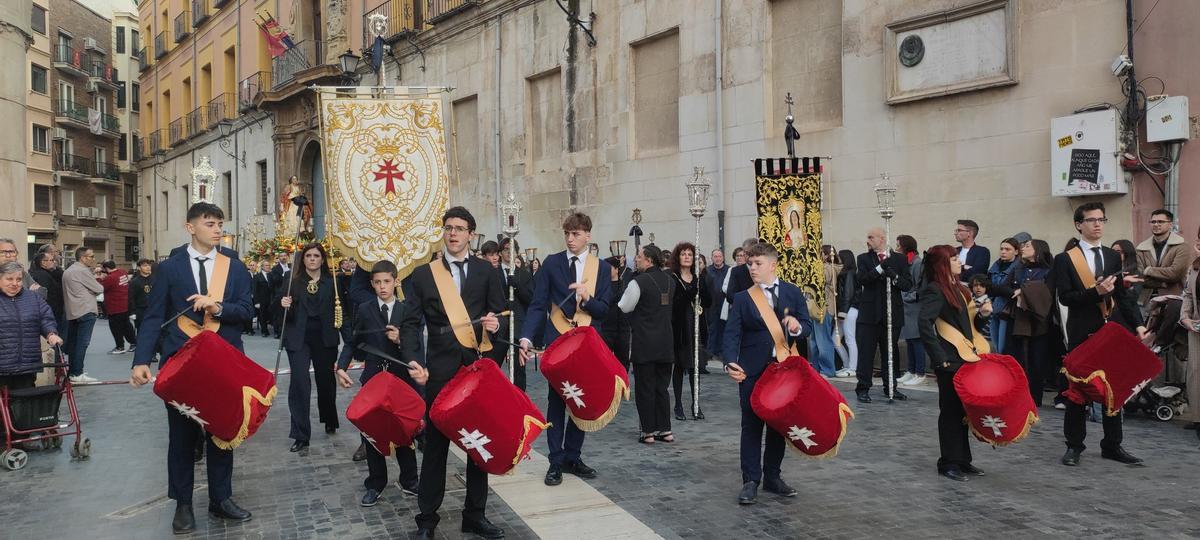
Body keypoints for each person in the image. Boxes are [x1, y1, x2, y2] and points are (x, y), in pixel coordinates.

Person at [129, 202, 255, 534]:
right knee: (182, 437)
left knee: (222, 432)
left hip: (222, 361)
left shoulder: (235, 267)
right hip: (182, 364)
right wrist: (142, 360)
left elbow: (246, 312)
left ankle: (221, 498)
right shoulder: (170, 268)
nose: (217, 230)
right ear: (191, 228)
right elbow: (154, 317)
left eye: (220, 224)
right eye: (210, 224)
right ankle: (183, 504)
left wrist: (219, 306)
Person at [406, 206, 505, 539]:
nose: (453, 233)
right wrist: (413, 360)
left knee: (478, 445)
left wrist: (496, 324)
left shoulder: (487, 272)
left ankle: (474, 515)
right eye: (448, 227)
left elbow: (500, 315)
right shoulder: (424, 274)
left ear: (471, 235)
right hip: (438, 371)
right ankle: (427, 519)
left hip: (476, 370)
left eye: (460, 228)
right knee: (435, 447)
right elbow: (409, 324)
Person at [518, 212, 612, 488]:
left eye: (576, 234)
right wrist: (526, 337)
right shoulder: (552, 263)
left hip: (586, 344)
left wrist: (587, 299)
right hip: (557, 340)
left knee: (580, 400)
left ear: (588, 236)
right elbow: (537, 305)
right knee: (557, 400)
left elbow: (605, 310)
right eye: (567, 234)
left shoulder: (601, 268)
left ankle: (573, 455)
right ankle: (555, 461)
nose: (571, 239)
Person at [1054, 202, 1147, 467]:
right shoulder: (1066, 258)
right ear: (1078, 224)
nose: (1098, 224)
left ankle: (1112, 445)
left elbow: (1123, 297)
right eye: (1092, 220)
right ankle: (1074, 446)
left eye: (1101, 219)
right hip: (1081, 331)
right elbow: (1066, 297)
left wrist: (1138, 324)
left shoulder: (1111, 256)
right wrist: (1097, 292)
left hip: (1110, 331)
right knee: (1077, 391)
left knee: (1113, 389)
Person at [722, 242, 812, 505]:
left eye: (757, 264)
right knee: (750, 424)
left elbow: (806, 325)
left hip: (783, 370)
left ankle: (773, 477)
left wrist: (797, 327)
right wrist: (730, 361)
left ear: (773, 265)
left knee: (777, 426)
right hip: (751, 370)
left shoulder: (792, 292)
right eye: (750, 264)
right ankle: (750, 480)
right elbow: (732, 334)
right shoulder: (743, 297)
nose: (752, 268)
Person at [336, 260, 428, 507]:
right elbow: (353, 341)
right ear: (371, 284)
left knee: (404, 430)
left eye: (387, 281)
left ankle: (410, 480)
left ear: (396, 282)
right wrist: (341, 366)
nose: (382, 287)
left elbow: (417, 345)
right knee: (372, 432)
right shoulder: (365, 309)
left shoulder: (407, 309)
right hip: (374, 380)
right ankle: (376, 483)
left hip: (400, 380)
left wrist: (401, 340)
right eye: (377, 282)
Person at [916, 245, 987, 482]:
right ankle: (948, 462)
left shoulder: (958, 288)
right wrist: (939, 358)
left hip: (964, 356)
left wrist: (984, 314)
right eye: (954, 259)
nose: (959, 262)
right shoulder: (935, 290)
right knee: (950, 412)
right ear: (943, 264)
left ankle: (962, 460)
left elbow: (966, 324)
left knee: (963, 411)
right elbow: (924, 324)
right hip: (949, 360)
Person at [279, 243, 342, 454]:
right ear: (303, 259)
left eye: (316, 255)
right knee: (299, 382)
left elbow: (343, 312)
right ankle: (300, 434)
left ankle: (329, 418)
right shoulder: (292, 282)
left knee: (325, 380)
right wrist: (282, 305)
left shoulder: (331, 282)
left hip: (325, 339)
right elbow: (274, 313)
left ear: (322, 260)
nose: (312, 259)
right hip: (299, 339)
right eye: (308, 255)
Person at [0, 261, 63, 446]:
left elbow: (45, 318)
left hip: (26, 363)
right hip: (2, 363)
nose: (14, 283)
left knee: (23, 402)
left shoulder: (33, 298)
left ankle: (20, 439)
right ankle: (4, 442)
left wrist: (51, 334)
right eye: (9, 279)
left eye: (18, 279)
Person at [617, 245, 676, 444]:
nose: (636, 259)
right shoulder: (670, 280)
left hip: (644, 341)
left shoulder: (638, 282)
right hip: (666, 341)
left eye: (639, 257)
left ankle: (648, 431)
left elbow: (624, 306)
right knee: (662, 387)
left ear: (649, 260)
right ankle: (665, 430)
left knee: (645, 388)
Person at [854, 228, 912, 403]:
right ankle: (863, 388)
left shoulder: (899, 259)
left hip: (892, 313)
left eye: (871, 237)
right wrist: (880, 269)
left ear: (882, 238)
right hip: (869, 314)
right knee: (866, 353)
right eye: (868, 237)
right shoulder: (864, 259)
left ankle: (891, 387)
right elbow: (863, 279)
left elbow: (907, 285)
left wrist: (893, 275)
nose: (868, 240)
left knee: (891, 352)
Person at [997, 238, 1055, 406]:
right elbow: (1002, 287)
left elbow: (1048, 293)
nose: (1023, 248)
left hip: (1039, 321)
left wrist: (1026, 292)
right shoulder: (1018, 268)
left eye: (1028, 245)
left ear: (1038, 249)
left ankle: (1034, 398)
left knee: (1037, 360)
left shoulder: (1048, 270)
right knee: (1017, 356)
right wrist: (1016, 291)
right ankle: (1016, 393)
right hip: (1018, 319)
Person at [669, 242, 707, 420]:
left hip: (696, 325)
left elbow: (708, 301)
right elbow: (675, 303)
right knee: (679, 366)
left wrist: (702, 281)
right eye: (683, 254)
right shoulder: (673, 278)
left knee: (695, 368)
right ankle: (678, 404)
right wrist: (691, 290)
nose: (686, 257)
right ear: (678, 257)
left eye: (690, 254)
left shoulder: (698, 277)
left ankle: (696, 403)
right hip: (681, 327)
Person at [1135, 209, 1194, 308]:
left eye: (1161, 222)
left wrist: (1149, 270)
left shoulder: (1182, 246)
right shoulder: (1141, 248)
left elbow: (1175, 274)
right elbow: (1139, 276)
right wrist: (1163, 282)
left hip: (1173, 299)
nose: (1156, 224)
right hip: (1145, 300)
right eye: (1153, 222)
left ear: (1170, 224)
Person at [62, 247, 103, 385]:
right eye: (91, 256)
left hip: (73, 311)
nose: (93, 259)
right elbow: (99, 288)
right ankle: (77, 373)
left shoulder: (68, 271)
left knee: (74, 343)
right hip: (86, 309)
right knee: (82, 343)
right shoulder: (82, 271)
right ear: (83, 258)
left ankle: (73, 372)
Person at [1177, 225, 1200, 436]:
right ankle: (1197, 417)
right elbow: (1187, 294)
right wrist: (1185, 317)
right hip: (1196, 326)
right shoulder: (1195, 267)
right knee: (1195, 373)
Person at [896, 235, 926, 386]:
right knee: (909, 340)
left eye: (898, 246)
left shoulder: (917, 263)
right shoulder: (907, 262)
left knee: (917, 340)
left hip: (914, 307)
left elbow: (920, 287)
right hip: (906, 307)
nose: (896, 249)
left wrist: (906, 296)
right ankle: (911, 370)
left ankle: (920, 372)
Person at [808, 245, 841, 378]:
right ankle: (816, 368)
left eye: (820, 253)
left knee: (823, 340)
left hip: (825, 306)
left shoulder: (830, 267)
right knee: (814, 341)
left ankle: (827, 369)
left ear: (827, 255)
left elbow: (822, 280)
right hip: (815, 306)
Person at [987, 236, 1022, 354]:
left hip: (1007, 311)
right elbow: (988, 288)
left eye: (1008, 249)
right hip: (993, 309)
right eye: (1002, 249)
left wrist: (998, 289)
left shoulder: (1019, 267)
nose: (1003, 252)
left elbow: (1010, 290)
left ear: (1016, 251)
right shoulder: (995, 266)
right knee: (995, 345)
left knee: (1003, 347)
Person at [602, 255, 633, 371]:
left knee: (623, 362)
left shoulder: (626, 284)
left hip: (623, 329)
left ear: (616, 269)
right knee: (604, 363)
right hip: (605, 329)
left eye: (608, 268)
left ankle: (624, 387)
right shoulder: (601, 286)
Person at [99, 260, 137, 354]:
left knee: (115, 328)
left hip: (114, 306)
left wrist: (100, 278)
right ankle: (134, 343)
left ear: (106, 269)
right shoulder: (122, 272)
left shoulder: (110, 278)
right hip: (124, 304)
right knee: (126, 326)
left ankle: (120, 346)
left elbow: (101, 288)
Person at [29, 252, 65, 339]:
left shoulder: (47, 273)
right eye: (52, 260)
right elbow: (44, 296)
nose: (54, 262)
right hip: (50, 311)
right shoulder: (42, 275)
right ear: (43, 262)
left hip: (52, 310)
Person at [835, 249, 858, 378]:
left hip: (849, 309)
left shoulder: (849, 273)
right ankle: (847, 364)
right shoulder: (846, 272)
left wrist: (843, 311)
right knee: (836, 339)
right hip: (845, 309)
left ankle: (853, 368)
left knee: (850, 339)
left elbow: (848, 293)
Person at [704, 249, 730, 363]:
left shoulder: (729, 270)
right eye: (715, 256)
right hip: (712, 304)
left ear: (723, 257)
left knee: (724, 328)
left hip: (724, 303)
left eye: (719, 256)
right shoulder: (708, 271)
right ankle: (710, 352)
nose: (718, 258)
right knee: (712, 328)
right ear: (712, 258)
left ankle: (721, 352)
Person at [268, 252, 290, 337]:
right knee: (279, 314)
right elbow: (275, 280)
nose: (283, 257)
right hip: (280, 293)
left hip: (290, 292)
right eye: (281, 256)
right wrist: (285, 275)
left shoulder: (291, 266)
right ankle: (278, 332)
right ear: (279, 258)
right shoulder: (275, 269)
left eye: (285, 256)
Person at [129, 259, 154, 331]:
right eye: (145, 265)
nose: (148, 267)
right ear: (139, 268)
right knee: (142, 332)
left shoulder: (156, 279)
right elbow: (131, 298)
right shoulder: (134, 282)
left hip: (154, 310)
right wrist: (132, 312)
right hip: (141, 311)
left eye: (149, 265)